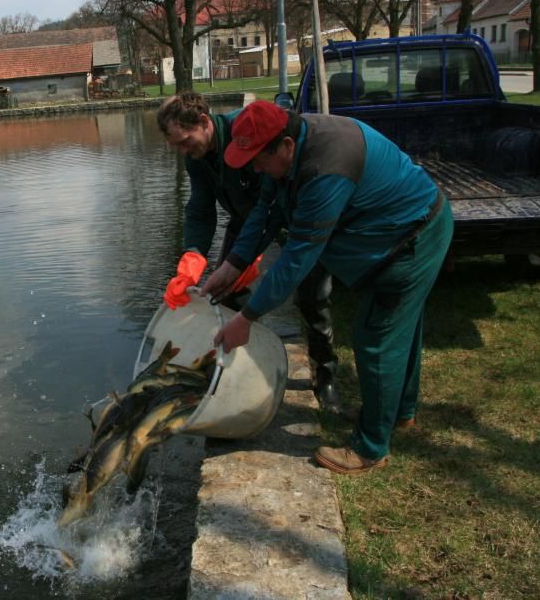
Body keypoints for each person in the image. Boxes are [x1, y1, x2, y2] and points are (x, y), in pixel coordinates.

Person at [204, 100, 453, 475]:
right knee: (401, 330)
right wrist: (231, 266)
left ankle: (370, 448)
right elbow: (265, 212)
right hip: (401, 234)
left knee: (377, 339)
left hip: (412, 239)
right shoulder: (287, 149)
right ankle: (400, 412)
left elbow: (298, 256)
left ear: (285, 146)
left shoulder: (325, 170)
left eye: (258, 160)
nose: (255, 168)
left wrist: (247, 317)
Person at [156, 92, 344, 414]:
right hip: (245, 224)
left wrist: (250, 256)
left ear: (204, 122)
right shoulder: (196, 159)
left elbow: (270, 204)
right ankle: (231, 369)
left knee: (312, 296)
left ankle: (325, 377)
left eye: (185, 141)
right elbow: (200, 210)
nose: (184, 151)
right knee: (222, 295)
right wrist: (192, 257)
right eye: (177, 146)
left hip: (291, 217)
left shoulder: (246, 133)